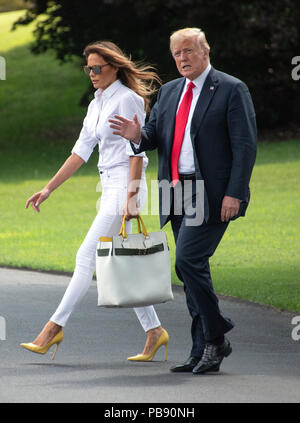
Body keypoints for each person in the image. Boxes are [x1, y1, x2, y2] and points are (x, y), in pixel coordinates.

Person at [109, 27, 257, 374]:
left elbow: (245, 147)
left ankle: (217, 336)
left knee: (188, 262)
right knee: (193, 272)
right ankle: (202, 349)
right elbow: (153, 134)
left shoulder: (232, 89)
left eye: (188, 51)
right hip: (175, 190)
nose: (182, 58)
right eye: (176, 53)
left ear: (206, 51)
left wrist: (234, 192)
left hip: (213, 192)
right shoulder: (171, 91)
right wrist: (137, 135)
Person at [20, 41, 169, 362]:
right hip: (108, 185)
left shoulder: (128, 98)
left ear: (114, 67)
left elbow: (137, 153)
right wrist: (48, 189)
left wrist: (131, 199)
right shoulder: (96, 104)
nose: (91, 73)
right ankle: (155, 331)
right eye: (88, 68)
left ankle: (53, 327)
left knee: (86, 256)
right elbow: (80, 152)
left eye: (97, 68)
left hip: (125, 187)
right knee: (120, 262)